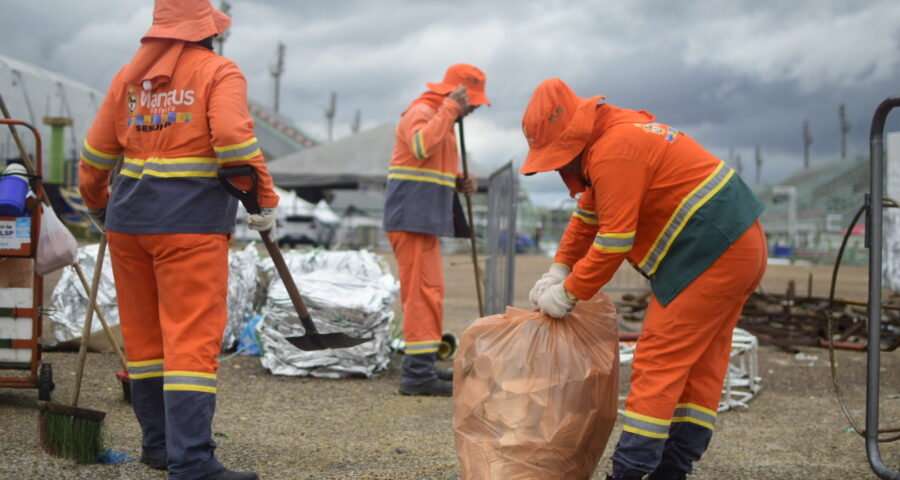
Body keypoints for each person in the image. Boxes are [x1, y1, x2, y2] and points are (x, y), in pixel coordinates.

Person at [520, 78, 767, 480]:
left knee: (659, 361)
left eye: (560, 158)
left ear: (573, 142)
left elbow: (615, 240)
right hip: (735, 246)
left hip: (713, 253)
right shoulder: (615, 136)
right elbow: (588, 218)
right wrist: (559, 267)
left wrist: (568, 293)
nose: (561, 167)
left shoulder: (613, 150)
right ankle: (672, 469)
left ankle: (630, 472)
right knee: (699, 366)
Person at [78, 1, 278, 479]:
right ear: (207, 31)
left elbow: (95, 155)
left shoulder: (128, 78)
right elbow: (232, 140)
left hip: (128, 226)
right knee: (191, 342)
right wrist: (263, 201)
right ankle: (192, 462)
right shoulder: (218, 71)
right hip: (190, 226)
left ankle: (160, 447)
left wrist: (98, 207)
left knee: (146, 341)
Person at [383, 64, 489, 396]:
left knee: (430, 292)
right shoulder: (423, 112)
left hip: (423, 219)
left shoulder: (442, 119)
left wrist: (458, 181)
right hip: (411, 218)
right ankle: (417, 375)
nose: (473, 110)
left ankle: (423, 366)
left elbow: (426, 165)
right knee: (420, 294)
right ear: (457, 95)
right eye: (472, 102)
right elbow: (418, 146)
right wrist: (449, 109)